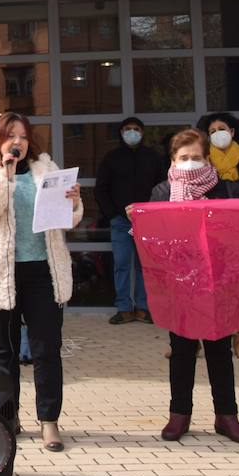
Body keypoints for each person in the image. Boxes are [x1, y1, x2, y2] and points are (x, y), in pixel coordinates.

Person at [0, 112, 82, 453]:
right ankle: (8, 415)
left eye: (23, 136)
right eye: (10, 135)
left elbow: (69, 219)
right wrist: (5, 176)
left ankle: (49, 421)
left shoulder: (46, 169)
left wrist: (74, 201)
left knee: (47, 350)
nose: (17, 142)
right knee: (5, 352)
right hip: (2, 274)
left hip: (42, 272)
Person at [131, 127, 239, 443]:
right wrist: (138, 222)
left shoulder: (226, 191)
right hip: (180, 283)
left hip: (218, 282)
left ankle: (227, 416)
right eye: (183, 158)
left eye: (196, 157)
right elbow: (151, 242)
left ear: (206, 158)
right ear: (173, 159)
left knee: (220, 352)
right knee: (182, 352)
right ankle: (178, 416)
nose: (189, 163)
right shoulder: (160, 192)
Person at [197, 112, 239, 359]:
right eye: (212, 131)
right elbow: (203, 187)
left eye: (221, 129)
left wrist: (222, 189)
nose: (217, 134)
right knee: (209, 283)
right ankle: (204, 336)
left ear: (232, 132)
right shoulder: (202, 160)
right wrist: (226, 189)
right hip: (210, 226)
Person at [95, 116, 166, 326]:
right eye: (127, 129)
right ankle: (124, 308)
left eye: (136, 129)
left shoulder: (153, 157)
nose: (132, 132)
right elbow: (101, 189)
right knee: (122, 264)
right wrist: (113, 214)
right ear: (121, 132)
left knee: (146, 266)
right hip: (121, 221)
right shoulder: (111, 158)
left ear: (142, 133)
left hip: (148, 220)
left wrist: (155, 212)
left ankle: (143, 308)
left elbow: (163, 187)